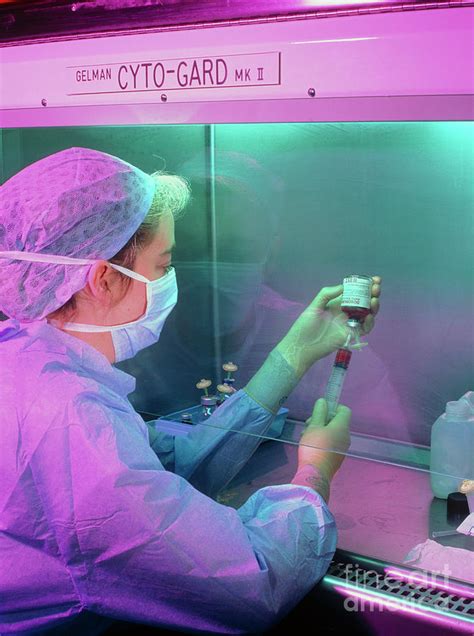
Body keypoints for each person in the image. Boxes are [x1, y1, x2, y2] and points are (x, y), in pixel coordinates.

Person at [0, 147, 381, 635]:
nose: (170, 281)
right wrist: (315, 475)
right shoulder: (69, 417)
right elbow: (250, 583)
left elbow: (153, 468)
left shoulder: (27, 358)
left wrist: (292, 356)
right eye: (164, 264)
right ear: (103, 278)